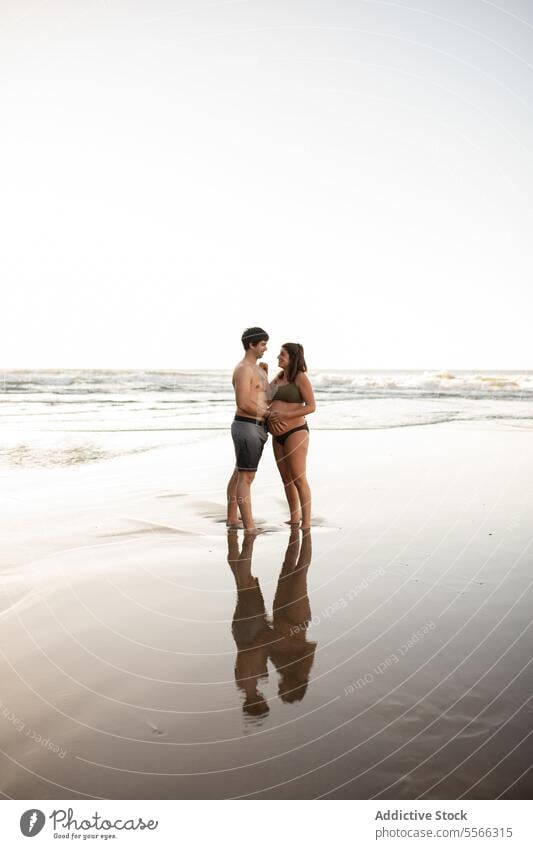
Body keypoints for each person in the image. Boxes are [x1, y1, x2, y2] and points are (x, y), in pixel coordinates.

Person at [226, 327, 274, 532]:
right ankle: (249, 526)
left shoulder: (256, 369)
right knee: (247, 477)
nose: (266, 348)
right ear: (251, 344)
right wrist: (269, 415)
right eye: (262, 344)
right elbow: (243, 403)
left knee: (240, 473)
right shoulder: (244, 368)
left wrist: (266, 375)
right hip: (246, 426)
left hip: (256, 427)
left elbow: (265, 397)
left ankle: (232, 518)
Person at [268, 343, 316, 529]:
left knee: (298, 477)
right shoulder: (279, 377)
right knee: (286, 478)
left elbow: (311, 406)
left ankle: (306, 522)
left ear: (292, 358)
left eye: (282, 354)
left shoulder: (300, 377)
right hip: (277, 435)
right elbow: (264, 397)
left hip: (295, 432)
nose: (278, 357)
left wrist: (285, 415)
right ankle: (294, 518)